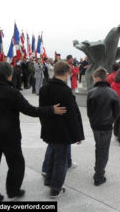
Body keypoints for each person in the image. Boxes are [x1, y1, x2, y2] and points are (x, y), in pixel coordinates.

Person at [0, 62, 67, 201]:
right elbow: (30, 110)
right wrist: (50, 109)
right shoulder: (11, 92)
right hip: (9, 137)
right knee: (17, 165)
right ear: (8, 75)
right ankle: (13, 190)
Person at [39, 61, 84, 198]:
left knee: (53, 155)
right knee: (61, 160)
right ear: (66, 74)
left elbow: (41, 111)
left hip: (49, 129)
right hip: (62, 131)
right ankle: (56, 188)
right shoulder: (65, 91)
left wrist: (45, 125)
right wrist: (78, 135)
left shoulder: (44, 88)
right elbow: (72, 116)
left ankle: (49, 180)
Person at [87, 68, 120, 186]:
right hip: (106, 125)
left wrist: (93, 121)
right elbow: (117, 113)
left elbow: (89, 112)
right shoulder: (113, 93)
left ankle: (98, 169)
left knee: (99, 146)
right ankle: (99, 174)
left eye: (93, 78)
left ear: (97, 78)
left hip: (96, 125)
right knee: (104, 149)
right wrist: (111, 121)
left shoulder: (91, 92)